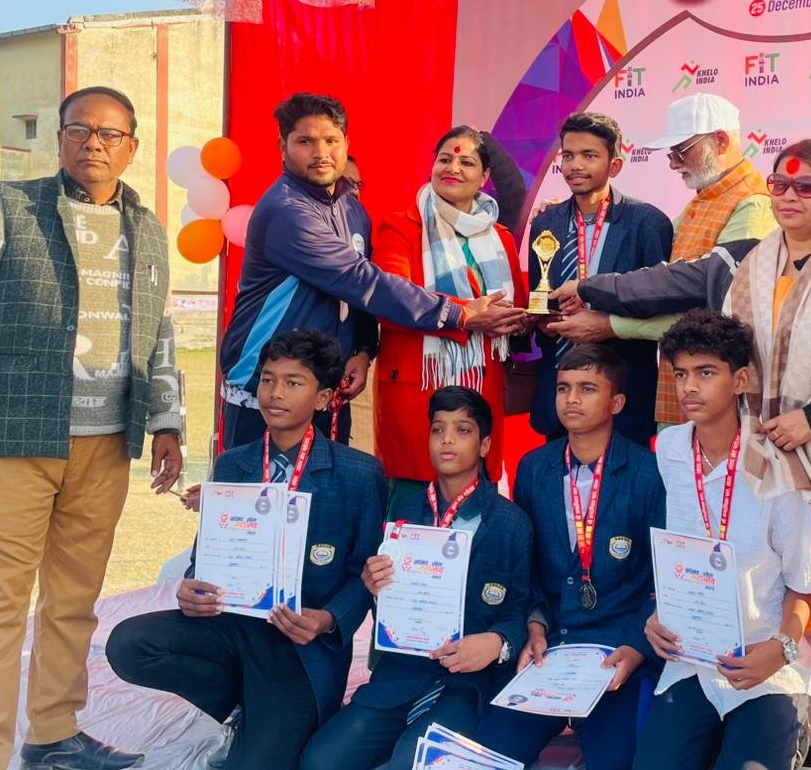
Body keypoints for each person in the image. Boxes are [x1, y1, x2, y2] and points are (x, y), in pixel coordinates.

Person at [565, 140, 811, 770]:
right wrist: (595, 292)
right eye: (779, 184)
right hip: (761, 473)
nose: (788, 196)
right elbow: (681, 296)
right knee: (765, 612)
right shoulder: (750, 265)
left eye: (806, 187)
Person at [0, 86, 182, 770]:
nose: (94, 144)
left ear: (132, 147)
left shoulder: (147, 230)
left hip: (105, 446)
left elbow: (160, 331)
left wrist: (167, 421)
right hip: (10, 439)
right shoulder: (8, 209)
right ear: (58, 139)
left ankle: (54, 735)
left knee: (73, 603)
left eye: (110, 134)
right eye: (80, 130)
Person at [107, 330, 386, 770]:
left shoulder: (359, 474)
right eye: (268, 380)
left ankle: (271, 713)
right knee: (129, 644)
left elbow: (364, 575)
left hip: (300, 644)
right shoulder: (232, 463)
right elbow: (207, 556)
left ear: (323, 398)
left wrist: (327, 619)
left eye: (293, 382)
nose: (275, 393)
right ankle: (243, 704)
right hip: (233, 627)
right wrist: (191, 587)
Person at [219, 94, 522, 449]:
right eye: (305, 141)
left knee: (328, 487)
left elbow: (357, 299)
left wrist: (362, 350)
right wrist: (461, 313)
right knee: (262, 487)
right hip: (266, 393)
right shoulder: (287, 211)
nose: (321, 153)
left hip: (327, 392)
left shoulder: (351, 210)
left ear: (346, 143)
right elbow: (361, 281)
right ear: (282, 147)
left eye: (331, 140)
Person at [301, 386, 532, 770]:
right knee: (319, 762)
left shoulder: (512, 524)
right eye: (438, 429)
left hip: (466, 684)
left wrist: (497, 643)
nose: (447, 440)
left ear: (485, 445)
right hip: (399, 676)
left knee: (412, 764)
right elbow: (384, 596)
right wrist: (374, 586)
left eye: (462, 430)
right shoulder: (403, 511)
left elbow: (523, 607)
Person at [632, 310, 811, 769]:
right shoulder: (669, 450)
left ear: (740, 380)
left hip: (763, 662)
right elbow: (677, 551)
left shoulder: (777, 464)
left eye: (706, 373)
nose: (689, 387)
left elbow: (803, 583)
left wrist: (782, 649)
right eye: (681, 374)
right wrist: (657, 616)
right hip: (690, 658)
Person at [476, 344, 665, 770]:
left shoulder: (648, 473)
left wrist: (636, 648)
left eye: (587, 388)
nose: (571, 399)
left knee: (614, 762)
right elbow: (527, 569)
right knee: (489, 753)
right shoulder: (533, 467)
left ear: (617, 403)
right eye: (563, 388)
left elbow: (662, 582)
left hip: (616, 650)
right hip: (550, 647)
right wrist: (534, 625)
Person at [558, 93, 775, 430]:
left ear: (720, 140)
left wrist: (609, 321)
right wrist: (570, 214)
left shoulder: (753, 204)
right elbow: (650, 271)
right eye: (671, 154)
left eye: (681, 151)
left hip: (722, 399)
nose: (674, 164)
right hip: (681, 388)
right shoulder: (703, 200)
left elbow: (715, 304)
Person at [370, 126, 529, 510]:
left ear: (485, 176)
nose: (453, 168)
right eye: (445, 159)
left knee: (474, 507)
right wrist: (466, 316)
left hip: (482, 387)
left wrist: (518, 319)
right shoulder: (400, 226)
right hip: (418, 390)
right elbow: (392, 303)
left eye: (467, 162)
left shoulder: (500, 237)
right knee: (412, 511)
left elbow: (517, 303)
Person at [529, 113, 673, 445]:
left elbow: (660, 310)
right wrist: (539, 321)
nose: (575, 165)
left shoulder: (648, 224)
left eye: (589, 155)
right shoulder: (546, 223)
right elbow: (539, 294)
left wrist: (605, 324)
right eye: (568, 155)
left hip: (624, 398)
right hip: (559, 397)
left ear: (615, 165)